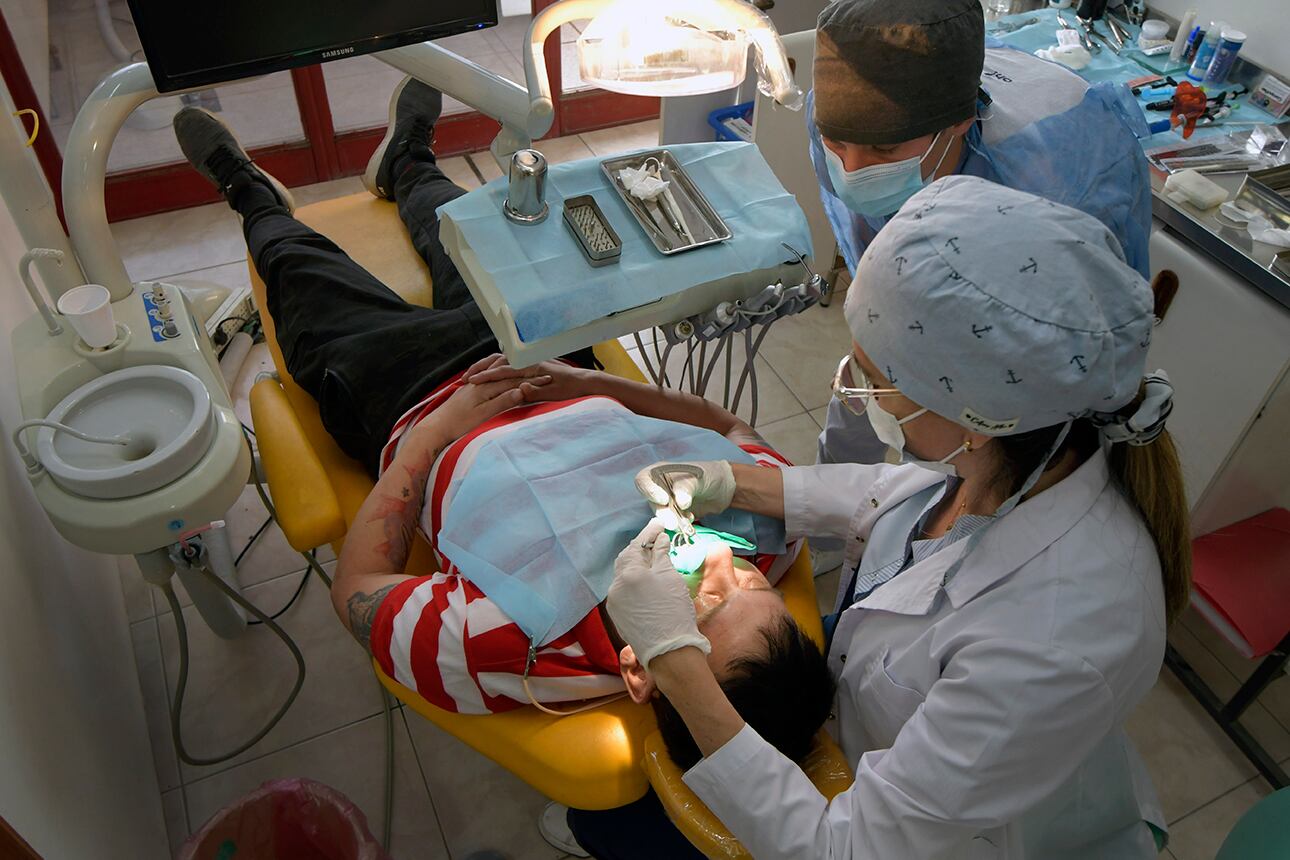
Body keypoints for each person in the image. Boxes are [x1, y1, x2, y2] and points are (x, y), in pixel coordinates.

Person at [170, 81, 834, 847]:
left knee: (297, 267)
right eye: (748, 582)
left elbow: (355, 591)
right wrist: (593, 381)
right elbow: (728, 425)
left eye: (707, 606)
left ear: (640, 671)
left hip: (406, 396)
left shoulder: (509, 642)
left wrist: (438, 430)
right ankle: (408, 162)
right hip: (547, 363)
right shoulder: (767, 530)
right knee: (468, 231)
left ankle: (250, 193)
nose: (721, 563)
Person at [584, 176, 1190, 859]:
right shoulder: (1010, 452)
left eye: (874, 376)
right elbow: (886, 495)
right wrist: (730, 484)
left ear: (977, 415)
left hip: (978, 841)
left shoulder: (1057, 636)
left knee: (613, 827)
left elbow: (846, 850)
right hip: (870, 716)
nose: (852, 389)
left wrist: (677, 663)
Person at [807, 0, 1155, 504]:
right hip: (908, 303)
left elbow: (1073, 341)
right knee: (865, 395)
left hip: (1004, 386)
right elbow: (877, 266)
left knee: (953, 466)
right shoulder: (840, 114)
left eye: (884, 153)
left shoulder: (1057, 193)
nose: (853, 170)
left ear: (960, 125)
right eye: (836, 142)